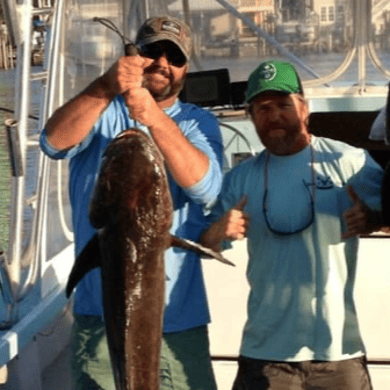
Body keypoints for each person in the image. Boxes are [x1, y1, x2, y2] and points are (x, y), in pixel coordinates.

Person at [40, 16, 223, 390]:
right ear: (135, 56)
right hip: (99, 324)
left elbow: (207, 187)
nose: (162, 63)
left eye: (174, 56)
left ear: (186, 67)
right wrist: (107, 85)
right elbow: (52, 143)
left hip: (179, 326)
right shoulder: (99, 109)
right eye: (152, 51)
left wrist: (153, 117)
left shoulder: (197, 122)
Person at [201, 59, 384, 390]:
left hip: (339, 353)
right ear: (251, 116)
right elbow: (204, 244)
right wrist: (217, 232)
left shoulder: (350, 161)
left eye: (284, 105)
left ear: (304, 108)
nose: (274, 116)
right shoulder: (241, 178)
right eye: (263, 107)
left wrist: (374, 220)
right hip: (266, 355)